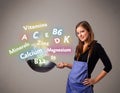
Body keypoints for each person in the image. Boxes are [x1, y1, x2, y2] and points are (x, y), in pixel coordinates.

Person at [57, 21, 112, 93]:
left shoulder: (96, 47)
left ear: (88, 31)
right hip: (71, 85)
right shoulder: (78, 47)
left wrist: (95, 80)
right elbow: (78, 68)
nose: (80, 35)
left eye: (82, 31)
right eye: (78, 33)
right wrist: (65, 64)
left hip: (83, 87)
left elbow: (108, 66)